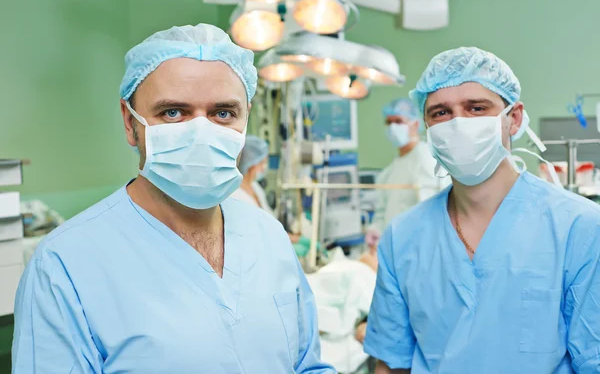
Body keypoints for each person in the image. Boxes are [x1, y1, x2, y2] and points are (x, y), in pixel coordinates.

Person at [12, 24, 334, 374]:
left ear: (245, 120)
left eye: (223, 113)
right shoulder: (65, 265)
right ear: (128, 121)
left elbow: (307, 365)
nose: (201, 131)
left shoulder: (268, 237)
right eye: (173, 113)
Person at [364, 47, 600, 374]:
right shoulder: (403, 236)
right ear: (427, 127)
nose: (459, 124)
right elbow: (391, 364)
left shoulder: (579, 227)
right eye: (441, 113)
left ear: (513, 118)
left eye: (476, 108)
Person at [362, 98, 449, 268]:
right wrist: (376, 230)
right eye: (388, 122)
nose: (393, 127)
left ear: (415, 124)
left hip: (420, 254)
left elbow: (430, 214)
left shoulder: (425, 159)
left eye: (398, 122)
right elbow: (383, 211)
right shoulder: (389, 171)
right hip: (395, 251)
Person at [231, 135, 274, 215]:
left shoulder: (255, 186)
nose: (264, 168)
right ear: (251, 165)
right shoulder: (234, 195)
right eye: (262, 163)